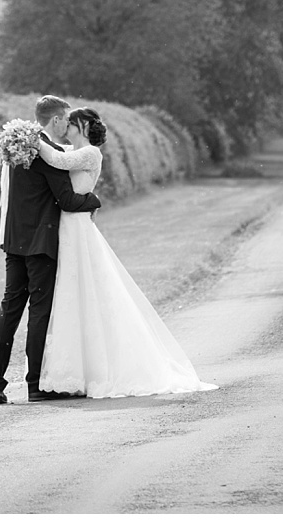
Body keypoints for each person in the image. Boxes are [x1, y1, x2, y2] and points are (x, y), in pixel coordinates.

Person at [37, 107, 218, 399]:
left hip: (78, 228)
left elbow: (57, 160)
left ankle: (96, 370)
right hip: (67, 226)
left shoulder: (91, 153)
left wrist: (30, 139)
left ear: (83, 126)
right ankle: (74, 371)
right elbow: (59, 158)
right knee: (72, 292)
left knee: (86, 288)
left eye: (72, 122)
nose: (67, 124)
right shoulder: (73, 148)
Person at [0, 95, 102, 406]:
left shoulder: (16, 146)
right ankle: (34, 384)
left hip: (15, 240)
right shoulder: (46, 153)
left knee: (9, 309)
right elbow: (66, 200)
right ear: (55, 120)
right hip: (40, 244)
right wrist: (94, 201)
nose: (67, 124)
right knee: (39, 312)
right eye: (65, 119)